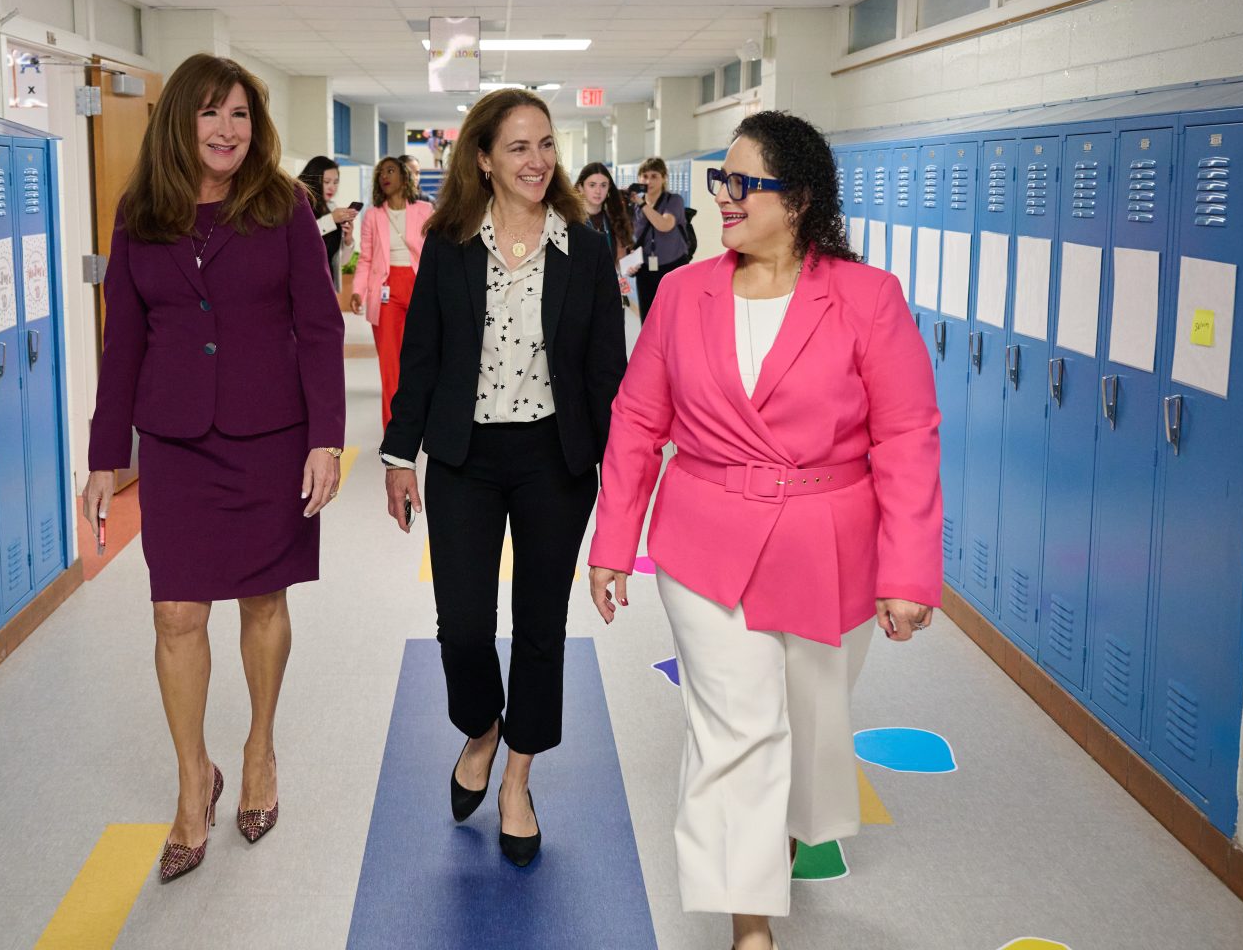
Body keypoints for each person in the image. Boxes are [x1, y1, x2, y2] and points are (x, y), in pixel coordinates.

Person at [587, 111, 941, 949]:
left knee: (810, 717)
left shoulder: (865, 298)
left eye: (744, 184)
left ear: (801, 199)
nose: (724, 199)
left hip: (829, 544)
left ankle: (771, 848)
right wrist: (612, 546)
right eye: (722, 182)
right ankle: (751, 925)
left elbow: (906, 436)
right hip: (706, 540)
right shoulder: (683, 292)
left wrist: (909, 571)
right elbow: (638, 422)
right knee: (739, 723)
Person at [81, 53, 346, 885]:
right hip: (176, 444)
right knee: (176, 616)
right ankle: (194, 777)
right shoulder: (140, 213)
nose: (227, 130)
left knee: (263, 601)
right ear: (179, 124)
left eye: (239, 114)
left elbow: (321, 326)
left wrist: (327, 439)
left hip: (270, 436)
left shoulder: (285, 207)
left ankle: (259, 749)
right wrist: (102, 456)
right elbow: (123, 339)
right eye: (209, 114)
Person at [381, 89, 626, 868]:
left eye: (546, 144)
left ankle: (518, 775)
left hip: (556, 460)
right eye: (518, 147)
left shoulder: (583, 247)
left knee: (543, 629)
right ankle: (481, 728)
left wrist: (620, 482)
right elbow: (420, 358)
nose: (538, 160)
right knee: (462, 626)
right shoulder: (451, 242)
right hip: (465, 458)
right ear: (482, 158)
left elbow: (604, 374)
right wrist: (396, 456)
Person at [351, 156, 434, 428]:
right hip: (386, 289)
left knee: (423, 356)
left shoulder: (424, 209)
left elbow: (436, 252)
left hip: (419, 284)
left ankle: (424, 419)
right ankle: (394, 426)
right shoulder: (373, 215)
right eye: (381, 173)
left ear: (404, 176)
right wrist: (358, 291)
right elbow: (365, 258)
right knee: (390, 363)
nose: (385, 176)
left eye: (391, 170)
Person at [625, 156, 690, 320]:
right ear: (639, 178)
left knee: (673, 318)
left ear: (663, 178)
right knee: (648, 319)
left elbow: (664, 225)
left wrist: (641, 204)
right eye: (645, 176)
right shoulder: (634, 207)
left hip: (673, 266)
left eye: (654, 176)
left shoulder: (673, 200)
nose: (649, 181)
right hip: (646, 270)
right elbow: (628, 239)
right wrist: (629, 261)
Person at [576, 162, 633, 305]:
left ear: (609, 189)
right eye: (592, 185)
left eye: (603, 185)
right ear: (581, 188)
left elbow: (619, 260)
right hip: (580, 296)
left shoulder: (614, 219)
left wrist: (628, 265)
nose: (598, 191)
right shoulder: (570, 221)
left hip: (609, 295)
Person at [298, 154, 357, 289]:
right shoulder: (299, 205)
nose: (332, 187)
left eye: (336, 182)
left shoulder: (332, 207)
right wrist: (331, 220)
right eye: (327, 182)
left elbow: (340, 261)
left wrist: (348, 240)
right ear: (314, 179)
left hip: (327, 283)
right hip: (304, 282)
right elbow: (300, 237)